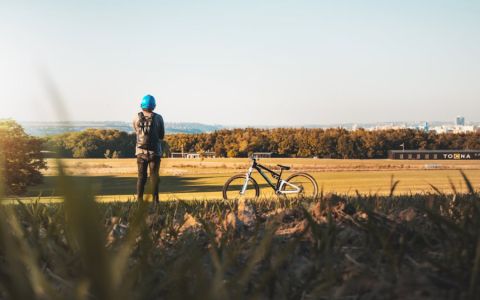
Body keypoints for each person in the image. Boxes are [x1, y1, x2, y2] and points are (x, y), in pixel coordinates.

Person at [133, 94, 165, 203]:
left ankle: (139, 201)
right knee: (154, 177)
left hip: (140, 152)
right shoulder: (158, 117)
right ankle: (155, 201)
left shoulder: (136, 117)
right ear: (154, 106)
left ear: (142, 105)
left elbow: (136, 132)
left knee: (141, 177)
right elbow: (161, 136)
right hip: (155, 153)